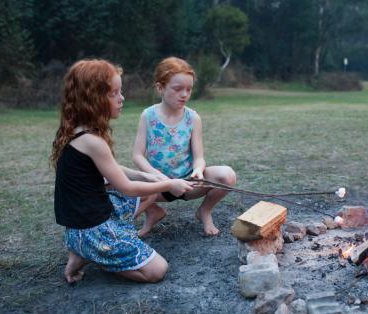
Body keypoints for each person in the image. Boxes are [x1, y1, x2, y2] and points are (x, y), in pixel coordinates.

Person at [51, 59, 195, 284]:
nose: (122, 98)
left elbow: (113, 170)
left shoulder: (78, 131)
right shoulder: (93, 141)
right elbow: (126, 188)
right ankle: (94, 253)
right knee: (157, 270)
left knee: (148, 190)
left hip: (83, 222)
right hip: (92, 229)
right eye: (114, 93)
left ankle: (85, 249)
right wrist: (169, 184)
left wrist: (146, 175)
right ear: (93, 99)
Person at [133, 57, 236, 236]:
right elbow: (138, 156)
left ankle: (204, 211)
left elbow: (199, 157)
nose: (184, 94)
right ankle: (154, 212)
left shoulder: (193, 118)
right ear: (160, 88)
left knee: (227, 175)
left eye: (189, 89)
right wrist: (162, 180)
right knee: (122, 188)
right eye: (177, 89)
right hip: (158, 186)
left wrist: (198, 170)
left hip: (189, 184)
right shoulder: (148, 116)